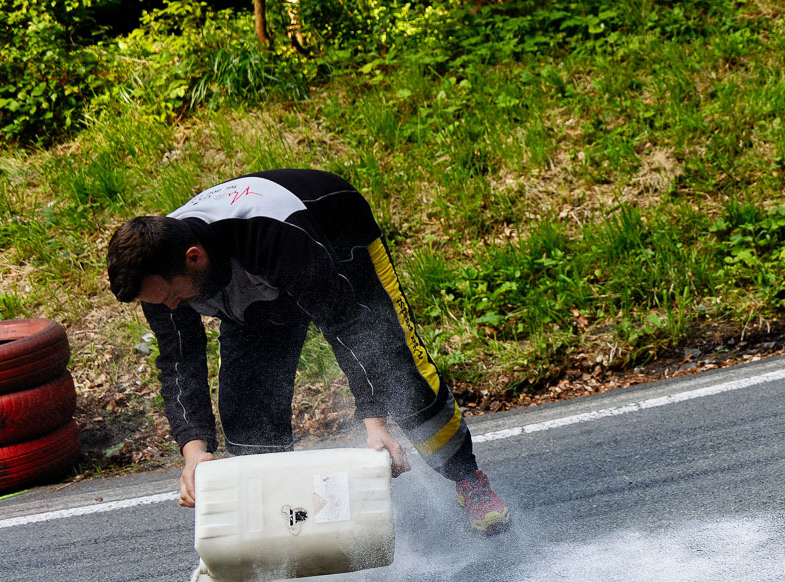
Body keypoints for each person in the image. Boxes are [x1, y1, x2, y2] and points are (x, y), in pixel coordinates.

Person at [106, 169, 511, 535]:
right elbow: (180, 364)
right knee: (248, 412)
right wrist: (194, 451)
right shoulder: (158, 280)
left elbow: (347, 325)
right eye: (159, 302)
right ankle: (287, 530)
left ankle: (468, 479)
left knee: (397, 370)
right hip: (255, 292)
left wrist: (374, 421)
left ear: (194, 258)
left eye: (173, 296)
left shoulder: (272, 234)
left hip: (336, 238)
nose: (170, 307)